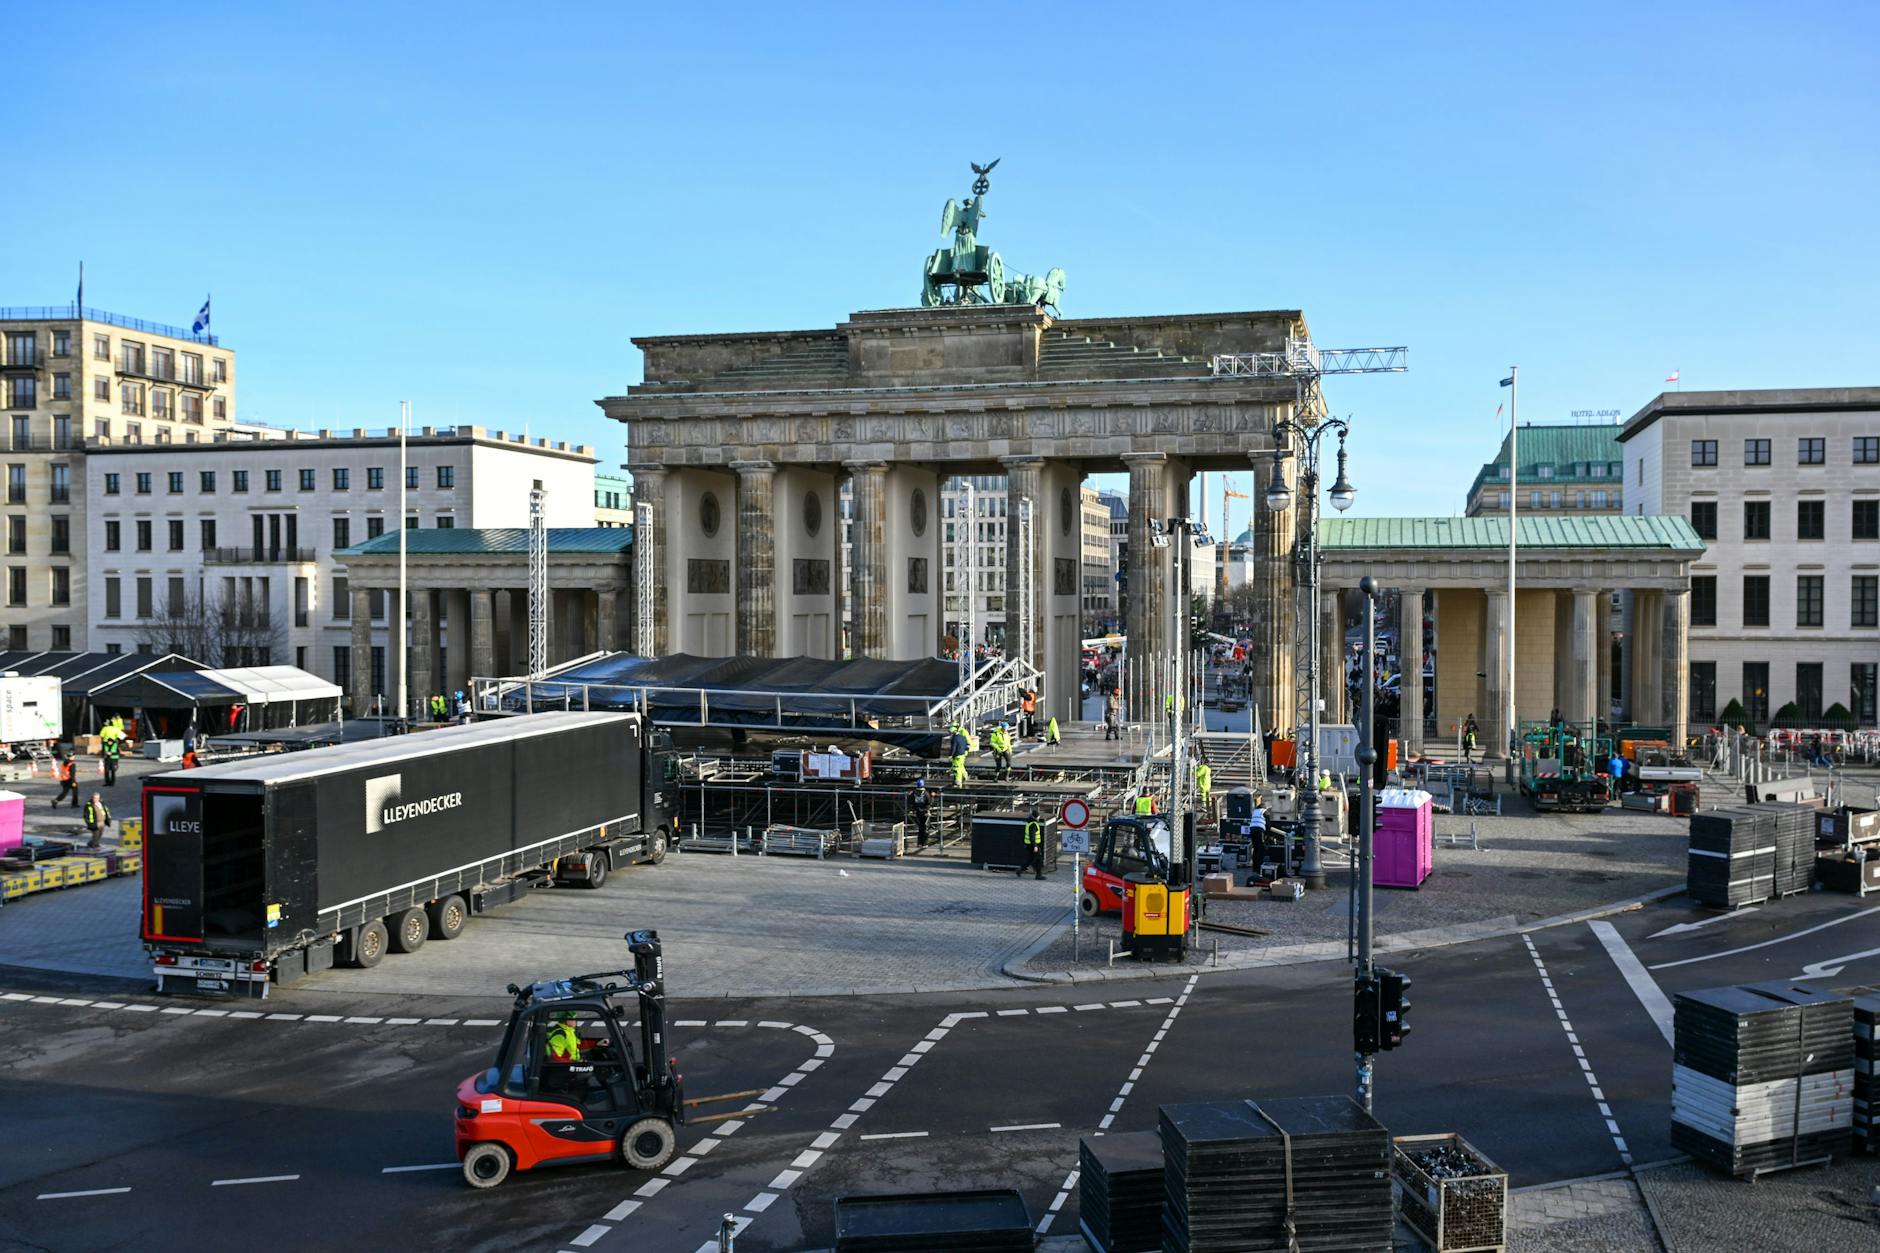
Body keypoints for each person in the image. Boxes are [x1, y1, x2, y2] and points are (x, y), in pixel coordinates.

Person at [1015, 806, 1045, 880]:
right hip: (1033, 845)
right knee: (1039, 859)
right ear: (1035, 817)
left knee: (1030, 859)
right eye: (1038, 817)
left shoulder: (1029, 823)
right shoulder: (1033, 824)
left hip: (1029, 845)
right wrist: (1035, 846)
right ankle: (1038, 875)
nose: (1039, 818)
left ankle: (1020, 870)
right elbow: (1032, 836)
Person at [908, 780, 933, 848]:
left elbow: (910, 801)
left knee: (921, 828)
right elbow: (929, 802)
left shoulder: (914, 793)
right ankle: (924, 843)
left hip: (918, 812)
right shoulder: (925, 793)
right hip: (925, 813)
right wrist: (933, 797)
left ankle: (919, 843)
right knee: (925, 828)